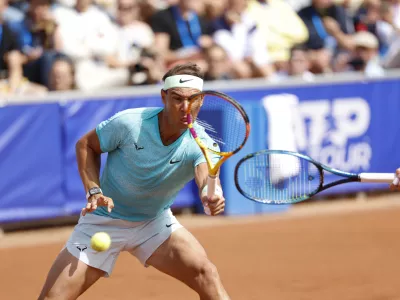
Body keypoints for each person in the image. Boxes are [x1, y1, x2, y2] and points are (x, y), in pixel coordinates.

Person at [37, 62, 230, 300]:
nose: (185, 107)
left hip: (154, 224)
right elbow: (86, 145)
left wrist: (211, 195)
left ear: (201, 100)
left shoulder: (204, 144)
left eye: (192, 99)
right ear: (163, 97)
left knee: (206, 274)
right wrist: (94, 191)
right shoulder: (130, 123)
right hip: (103, 220)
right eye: (177, 99)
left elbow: (207, 179)